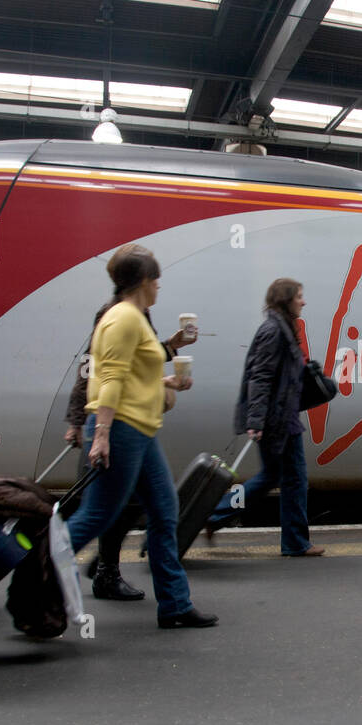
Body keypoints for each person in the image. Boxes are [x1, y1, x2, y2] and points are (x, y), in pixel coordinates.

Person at [67, 243, 217, 628]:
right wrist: (100, 434)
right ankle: (32, 579)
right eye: (157, 280)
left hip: (141, 430)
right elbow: (110, 378)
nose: (160, 288)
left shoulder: (134, 316)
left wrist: (167, 378)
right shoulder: (123, 319)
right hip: (121, 429)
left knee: (165, 512)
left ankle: (175, 605)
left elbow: (133, 371)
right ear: (144, 282)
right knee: (96, 516)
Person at [204, 278, 323, 557]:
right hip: (276, 420)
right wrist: (255, 421)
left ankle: (215, 514)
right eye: (299, 297)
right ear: (286, 300)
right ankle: (295, 542)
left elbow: (280, 375)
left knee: (272, 477)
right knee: (294, 479)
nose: (303, 302)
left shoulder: (281, 327)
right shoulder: (273, 330)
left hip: (281, 416)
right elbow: (260, 378)